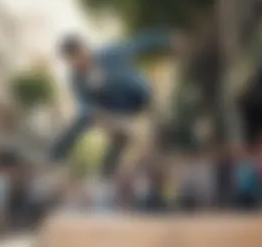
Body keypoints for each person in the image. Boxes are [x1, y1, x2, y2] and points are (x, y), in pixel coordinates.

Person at [50, 30, 186, 179]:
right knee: (85, 119)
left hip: (136, 97)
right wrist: (105, 123)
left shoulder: (110, 54)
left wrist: (167, 39)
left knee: (103, 113)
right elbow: (84, 105)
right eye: (73, 61)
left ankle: (173, 143)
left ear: (84, 49)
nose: (79, 63)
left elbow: (138, 44)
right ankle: (63, 159)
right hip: (113, 108)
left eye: (79, 56)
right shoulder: (76, 79)